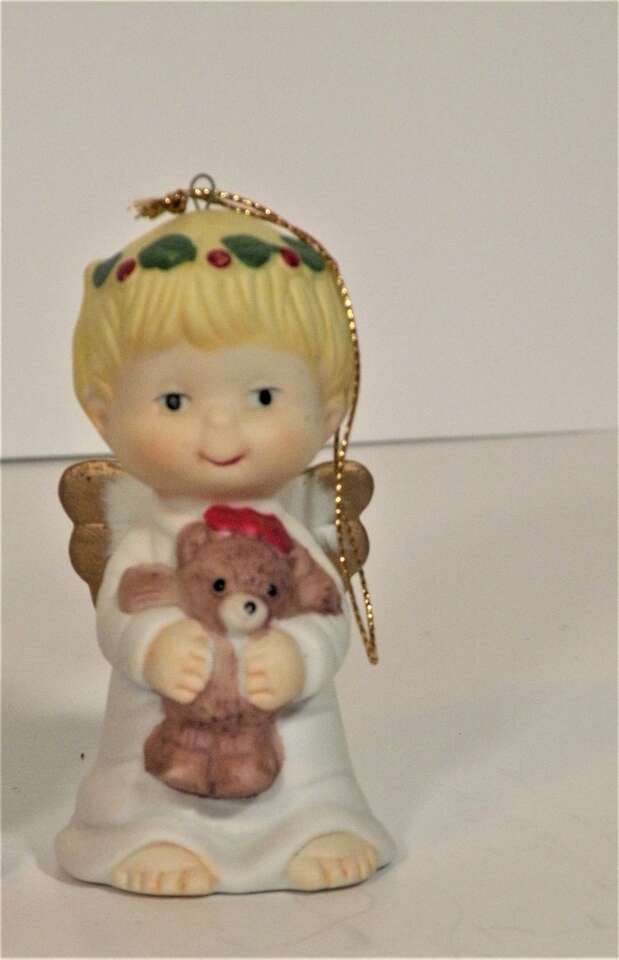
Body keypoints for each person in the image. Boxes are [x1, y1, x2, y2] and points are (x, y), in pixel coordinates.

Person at [56, 198, 395, 895]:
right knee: (147, 782)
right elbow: (120, 614)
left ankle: (315, 825)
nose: (220, 434)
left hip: (290, 757)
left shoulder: (292, 539)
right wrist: (153, 647)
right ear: (103, 412)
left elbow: (325, 614)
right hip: (167, 746)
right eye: (174, 402)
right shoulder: (149, 536)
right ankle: (159, 833)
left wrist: (299, 656)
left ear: (328, 409)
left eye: (263, 397)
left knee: (310, 763)